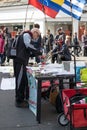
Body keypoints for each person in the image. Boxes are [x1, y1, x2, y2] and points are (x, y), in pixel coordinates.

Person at [14, 30, 42, 108]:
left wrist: (35, 53)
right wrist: (38, 51)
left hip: (21, 60)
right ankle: (19, 101)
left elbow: (27, 50)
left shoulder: (25, 35)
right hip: (20, 61)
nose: (36, 38)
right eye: (37, 35)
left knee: (23, 80)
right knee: (20, 81)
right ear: (35, 32)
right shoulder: (26, 35)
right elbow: (28, 45)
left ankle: (21, 98)